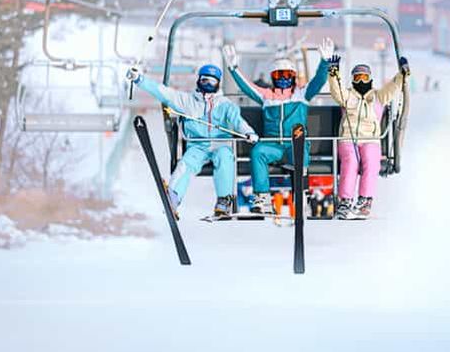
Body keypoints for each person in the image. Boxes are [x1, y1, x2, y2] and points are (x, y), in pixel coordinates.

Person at [126, 64, 258, 217]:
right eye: (205, 80)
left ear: (218, 83)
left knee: (225, 158)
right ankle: (173, 197)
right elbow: (162, 92)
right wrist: (139, 80)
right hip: (197, 146)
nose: (208, 84)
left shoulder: (225, 105)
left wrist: (249, 132)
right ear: (199, 80)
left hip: (220, 144)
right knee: (185, 164)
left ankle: (224, 200)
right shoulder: (187, 101)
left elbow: (238, 121)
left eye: (212, 81)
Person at [222, 39, 333, 214]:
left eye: (287, 75)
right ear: (272, 78)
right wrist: (233, 68)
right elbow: (247, 87)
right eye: (278, 75)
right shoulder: (266, 96)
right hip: (273, 144)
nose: (283, 79)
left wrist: (325, 62)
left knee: (300, 152)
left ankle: (301, 193)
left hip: (294, 144)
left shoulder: (301, 94)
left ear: (293, 77)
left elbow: (318, 81)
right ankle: (262, 197)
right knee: (258, 151)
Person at [327, 55, 409, 219]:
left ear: (370, 79)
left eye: (364, 77)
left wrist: (402, 74)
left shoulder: (378, 96)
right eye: (357, 78)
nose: (361, 81)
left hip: (371, 139)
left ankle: (364, 200)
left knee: (371, 163)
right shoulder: (348, 96)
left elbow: (393, 88)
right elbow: (336, 91)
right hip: (349, 139)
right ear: (353, 80)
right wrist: (334, 72)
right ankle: (345, 201)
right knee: (351, 163)